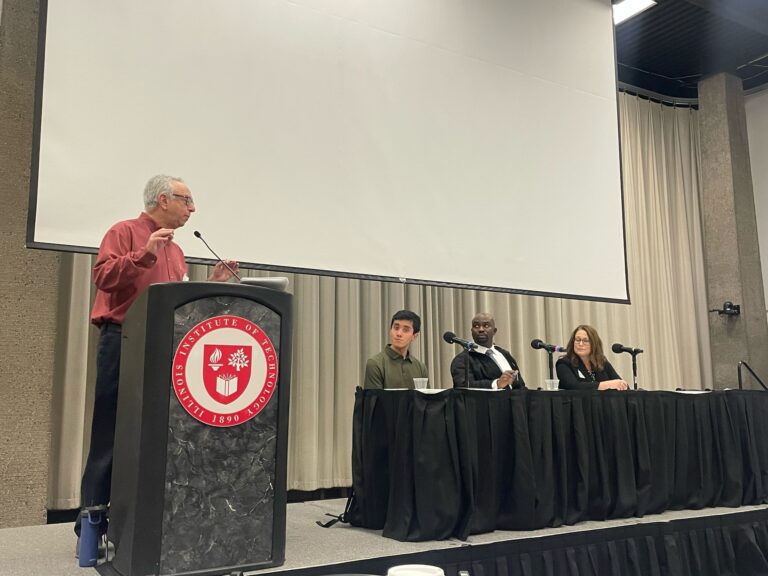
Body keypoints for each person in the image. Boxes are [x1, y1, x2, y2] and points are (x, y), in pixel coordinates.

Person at [77, 175, 239, 542]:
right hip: (123, 341)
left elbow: (176, 302)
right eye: (187, 200)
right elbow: (103, 277)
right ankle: (91, 525)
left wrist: (214, 284)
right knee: (111, 432)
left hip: (166, 345)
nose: (193, 208)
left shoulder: (177, 251)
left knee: (159, 433)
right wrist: (144, 254)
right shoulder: (124, 232)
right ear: (163, 200)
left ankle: (146, 520)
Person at [450, 312, 525, 389]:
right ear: (471, 331)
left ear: (494, 331)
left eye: (486, 325)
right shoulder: (463, 359)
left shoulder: (505, 354)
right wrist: (497, 384)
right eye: (476, 326)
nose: (481, 329)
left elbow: (521, 386)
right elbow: (463, 386)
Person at [364, 310, 428, 389]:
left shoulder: (420, 367)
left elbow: (427, 396)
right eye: (396, 328)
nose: (399, 334)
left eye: (405, 330)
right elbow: (374, 397)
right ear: (390, 330)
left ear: (414, 336)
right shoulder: (375, 364)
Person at [556, 324, 629, 390]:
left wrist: (621, 385)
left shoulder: (602, 362)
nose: (580, 344)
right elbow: (574, 386)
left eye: (585, 340)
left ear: (594, 344)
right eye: (578, 340)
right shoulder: (564, 363)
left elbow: (621, 384)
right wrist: (607, 385)